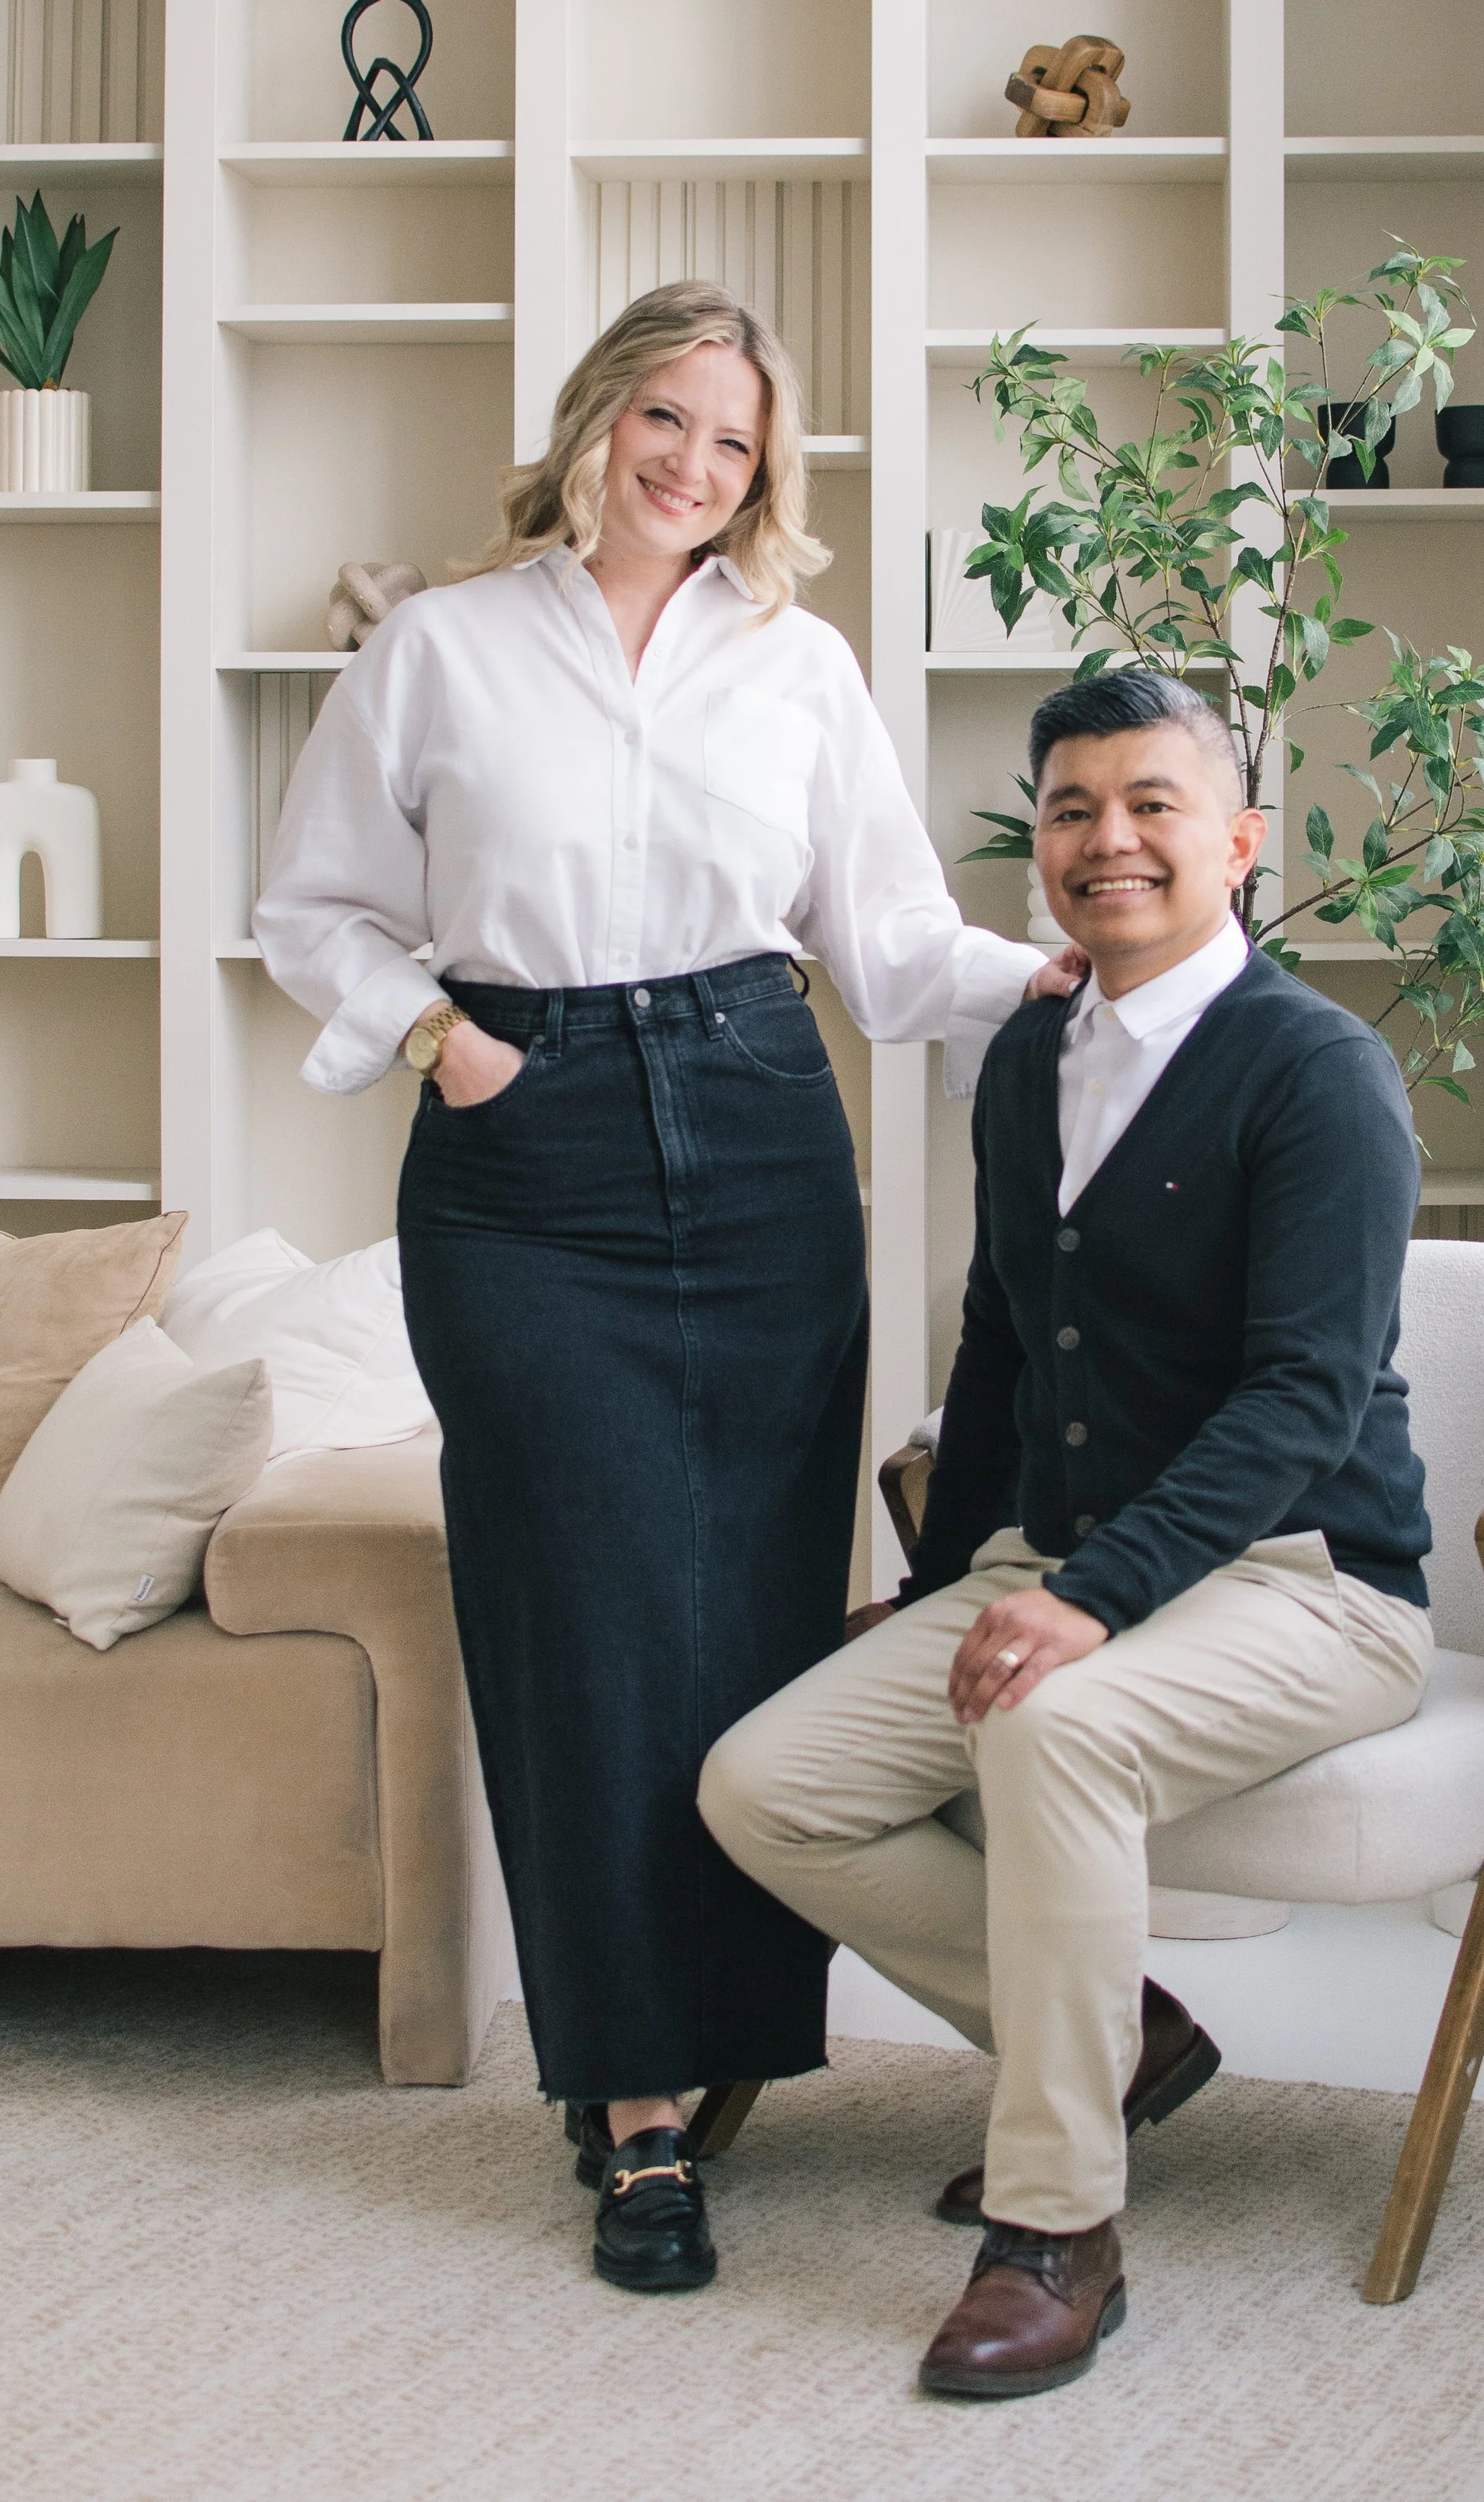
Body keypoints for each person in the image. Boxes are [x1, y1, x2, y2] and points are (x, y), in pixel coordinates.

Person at [253, 281, 1067, 2295]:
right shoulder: (440, 645)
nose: (692, 463)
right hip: (523, 1160)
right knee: (577, 1611)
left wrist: (1051, 978)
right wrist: (440, 1034)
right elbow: (312, 905)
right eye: (667, 417)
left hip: (758, 1121)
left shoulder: (796, 664)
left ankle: (726, 2056)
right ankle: (623, 2111)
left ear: (762, 473)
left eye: (734, 440)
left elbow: (880, 938)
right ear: (599, 411)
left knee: (746, 1614)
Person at [700, 666, 1435, 2396]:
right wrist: (954, 1581)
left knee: (1047, 1726)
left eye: (1153, 805)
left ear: (1236, 842)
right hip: (1072, 1558)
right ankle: (1121, 2049)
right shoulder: (1028, 1051)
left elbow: (1303, 1399)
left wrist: (1086, 1600)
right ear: (1035, 843)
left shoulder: (1319, 1075)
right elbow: (1007, 1341)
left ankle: (1054, 2231)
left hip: (1303, 1580)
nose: (1109, 842)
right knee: (763, 1786)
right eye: (1069, 810)